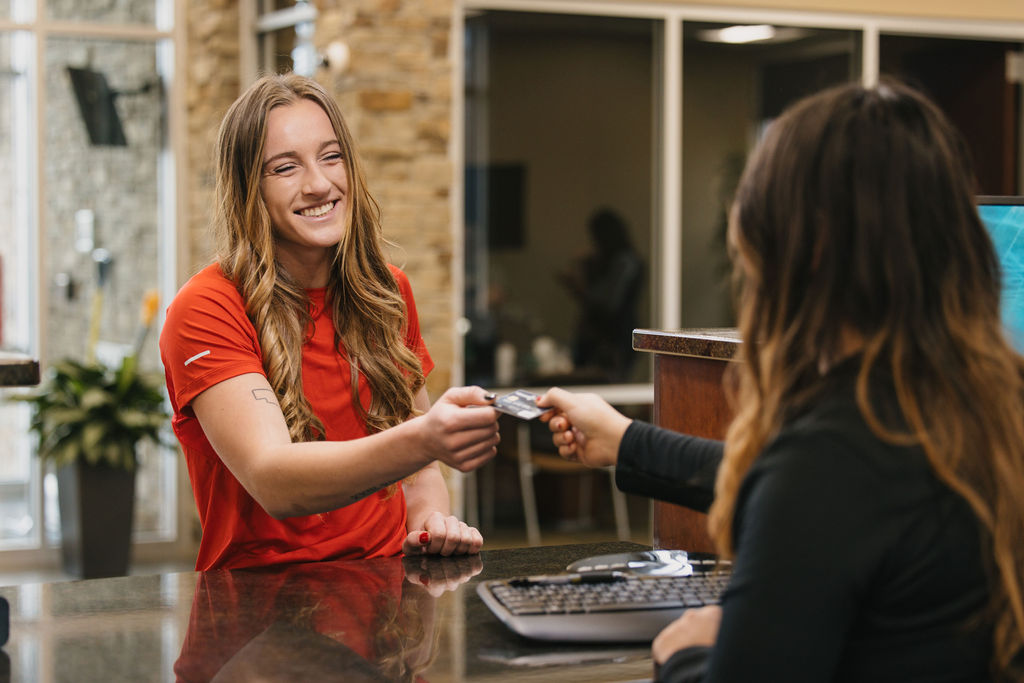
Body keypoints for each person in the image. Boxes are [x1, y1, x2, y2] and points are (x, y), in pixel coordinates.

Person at [539, 80, 1024, 682]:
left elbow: (810, 487)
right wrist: (628, 440)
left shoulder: (833, 457)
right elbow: (792, 483)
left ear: (804, 252)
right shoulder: (978, 410)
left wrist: (684, 653)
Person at [159, 73, 499, 571]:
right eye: (285, 167)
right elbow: (274, 479)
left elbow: (419, 473)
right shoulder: (208, 307)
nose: (318, 184)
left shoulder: (386, 291)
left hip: (386, 607)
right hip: (258, 616)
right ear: (248, 187)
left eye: (331, 156)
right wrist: (425, 438)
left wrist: (430, 523)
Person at [556, 208, 644, 382]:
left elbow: (608, 304)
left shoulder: (624, 262)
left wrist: (579, 285)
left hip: (613, 340)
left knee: (605, 387)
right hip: (601, 339)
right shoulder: (605, 261)